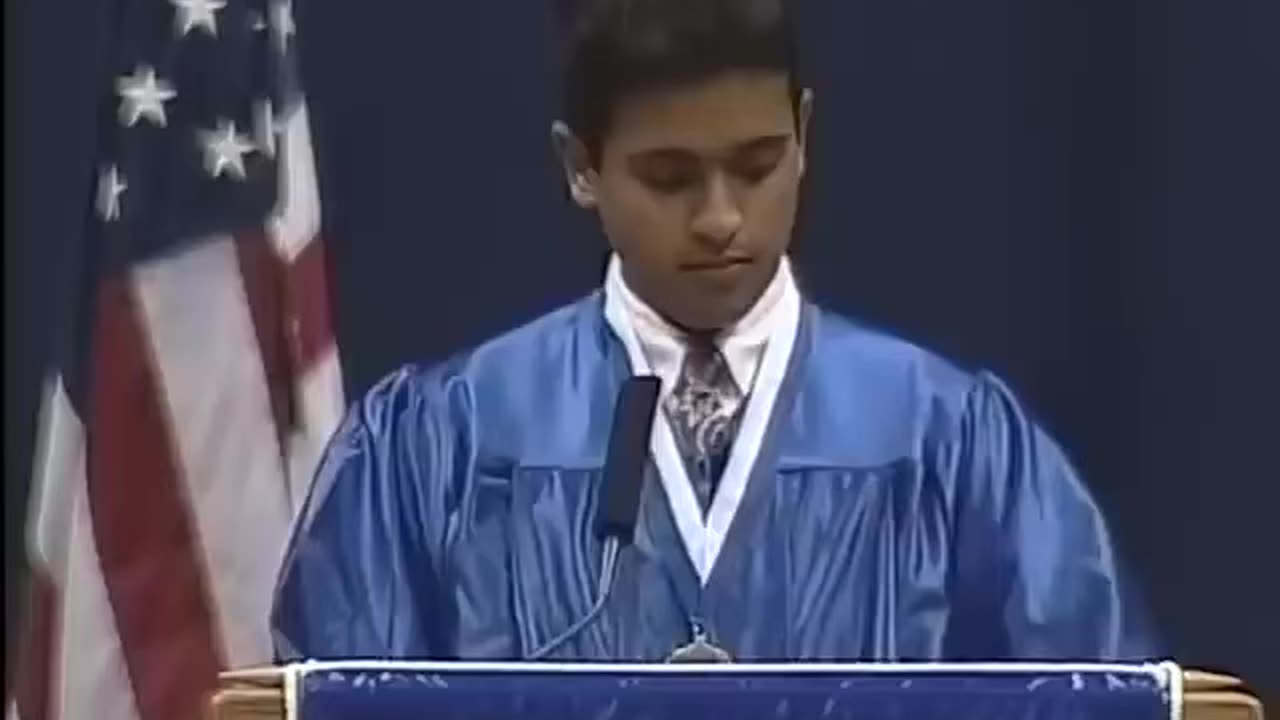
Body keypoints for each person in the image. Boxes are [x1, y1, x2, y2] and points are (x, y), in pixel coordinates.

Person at [270, 0, 1160, 662]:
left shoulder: (951, 445)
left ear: (804, 135)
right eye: (670, 178)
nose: (722, 219)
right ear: (581, 167)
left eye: (758, 165)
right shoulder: (443, 450)